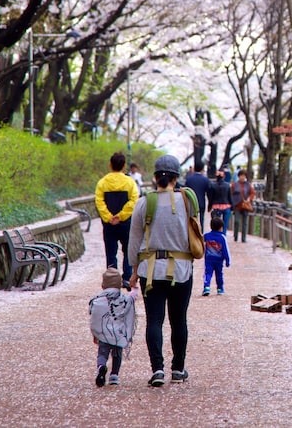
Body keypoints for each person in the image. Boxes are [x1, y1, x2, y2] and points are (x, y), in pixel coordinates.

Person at [127, 154, 195, 387]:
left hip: (150, 271)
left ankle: (157, 369)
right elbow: (195, 233)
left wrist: (134, 271)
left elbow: (134, 240)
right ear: (177, 179)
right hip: (182, 270)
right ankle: (178, 369)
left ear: (155, 177)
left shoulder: (145, 202)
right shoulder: (187, 202)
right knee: (179, 320)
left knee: (154, 320)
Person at [95, 152, 139, 289]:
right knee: (127, 251)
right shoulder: (129, 182)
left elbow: (99, 201)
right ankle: (127, 277)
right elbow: (134, 200)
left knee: (111, 251)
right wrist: (121, 216)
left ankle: (112, 280)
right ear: (124, 166)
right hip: (126, 223)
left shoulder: (102, 182)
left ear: (110, 164)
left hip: (109, 225)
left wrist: (109, 217)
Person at [89, 267, 137, 387]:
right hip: (118, 334)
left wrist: (95, 333)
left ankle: (101, 367)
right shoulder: (124, 299)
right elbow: (133, 297)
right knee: (117, 354)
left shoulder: (98, 300)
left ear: (103, 285)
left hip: (103, 333)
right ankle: (114, 375)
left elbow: (94, 316)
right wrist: (133, 287)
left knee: (102, 354)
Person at [202, 216, 231, 296]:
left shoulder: (207, 236)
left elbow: (200, 243)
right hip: (219, 260)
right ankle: (220, 288)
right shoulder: (222, 237)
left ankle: (206, 287)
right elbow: (225, 250)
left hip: (208, 259)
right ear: (221, 228)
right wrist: (227, 260)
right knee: (219, 274)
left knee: (208, 273)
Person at [230, 169, 256, 243]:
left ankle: (243, 238)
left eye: (244, 176)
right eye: (241, 176)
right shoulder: (234, 185)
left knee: (245, 222)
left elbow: (252, 193)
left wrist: (249, 199)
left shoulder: (248, 185)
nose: (242, 177)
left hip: (245, 205)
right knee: (237, 221)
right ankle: (235, 236)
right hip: (237, 205)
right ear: (239, 176)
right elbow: (231, 193)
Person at [184, 160, 210, 226]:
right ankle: (200, 233)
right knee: (201, 220)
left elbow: (185, 191)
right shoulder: (205, 179)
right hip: (201, 202)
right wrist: (210, 204)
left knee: (191, 220)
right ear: (202, 168)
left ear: (194, 168)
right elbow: (208, 192)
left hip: (191, 202)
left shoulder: (189, 179)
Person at [207, 168, 232, 233]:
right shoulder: (227, 185)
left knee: (216, 224)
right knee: (225, 223)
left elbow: (211, 198)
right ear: (224, 176)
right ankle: (223, 235)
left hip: (216, 206)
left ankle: (217, 235)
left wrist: (209, 207)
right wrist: (232, 207)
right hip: (226, 205)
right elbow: (230, 197)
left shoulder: (212, 185)